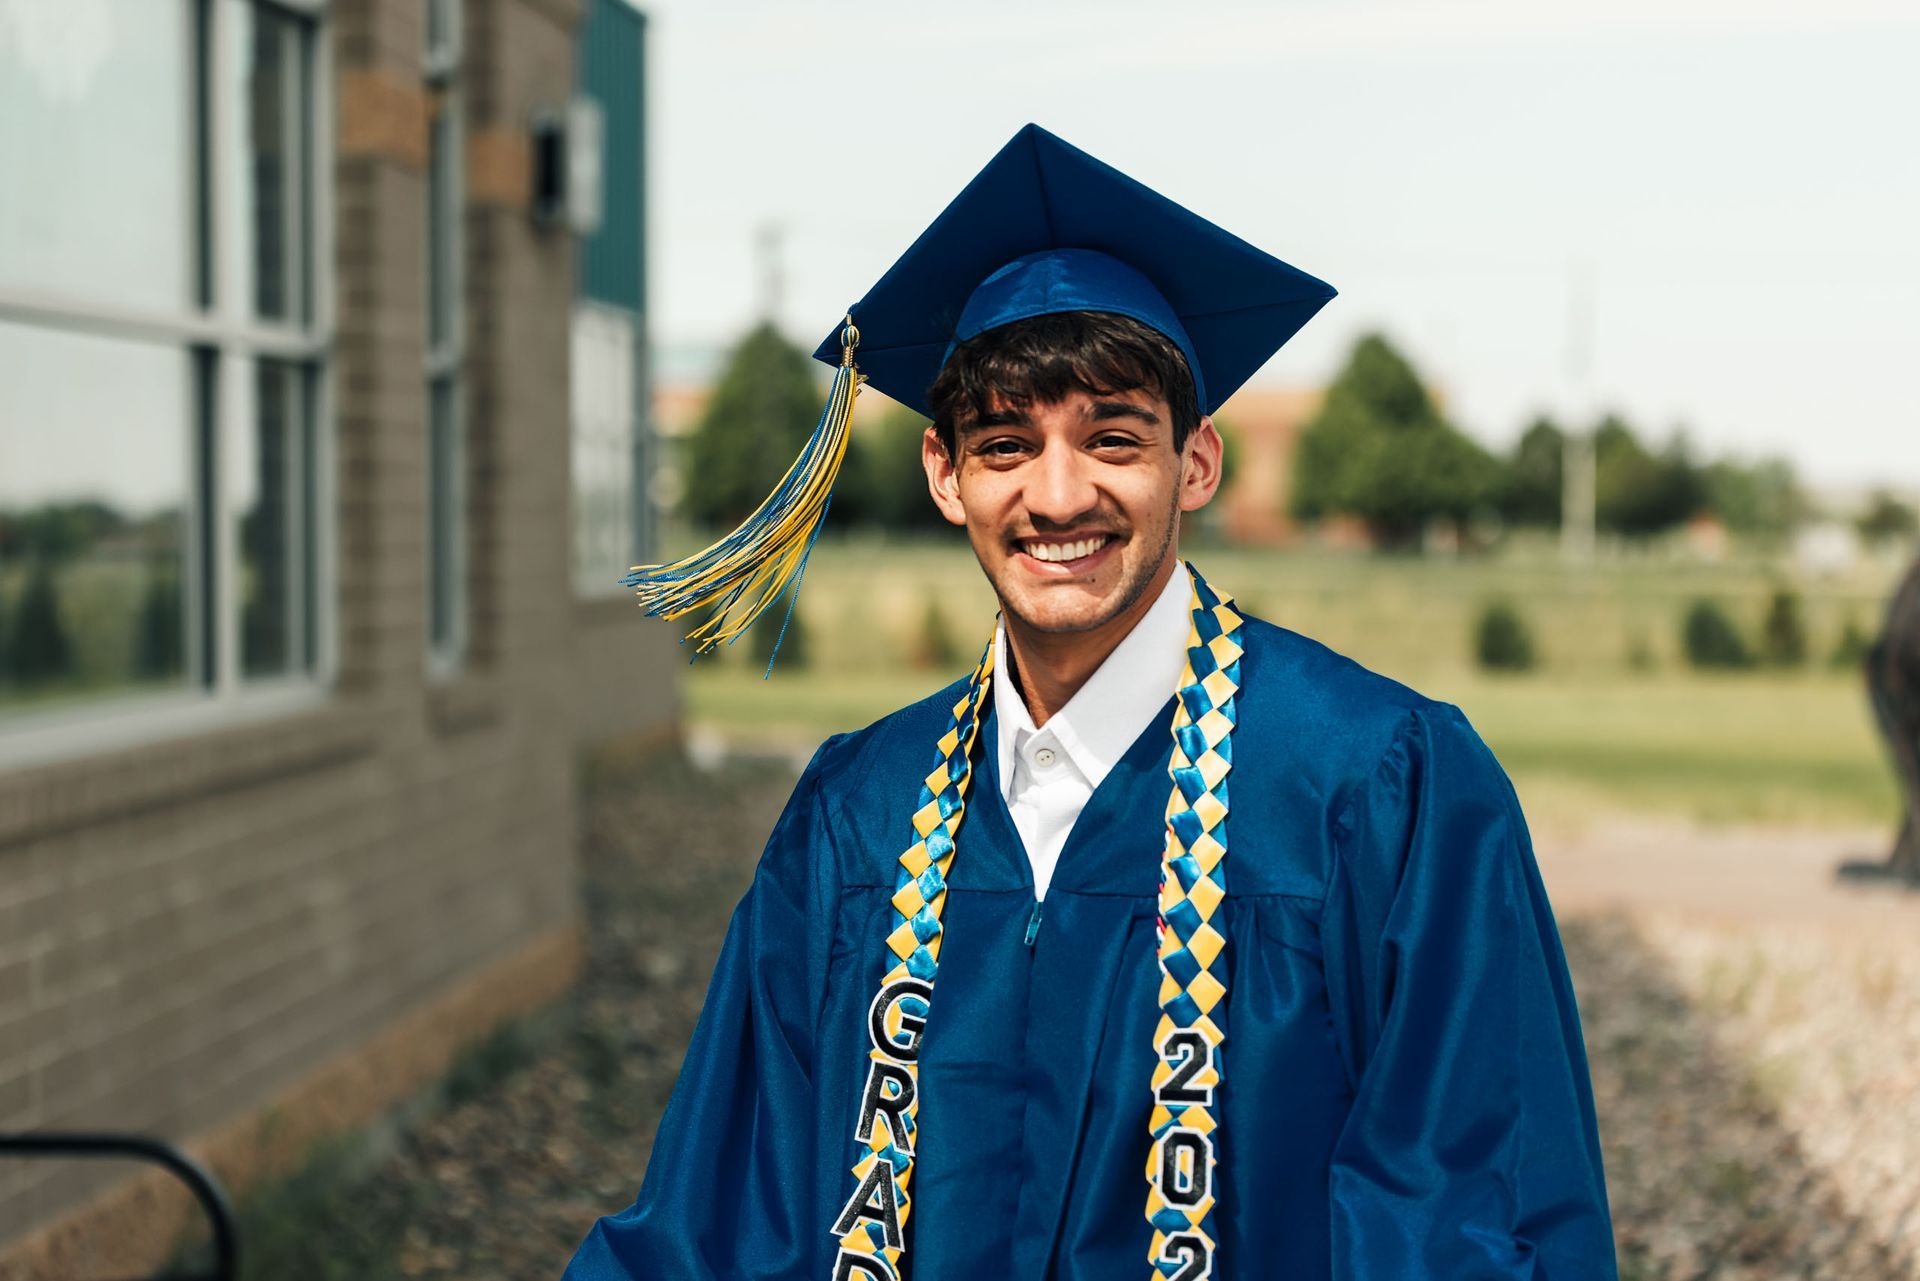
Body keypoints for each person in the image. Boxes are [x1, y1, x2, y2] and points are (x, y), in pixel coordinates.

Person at [564, 124, 1615, 1280]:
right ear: (946, 475)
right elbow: (721, 1214)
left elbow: (1461, 1212)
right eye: (1007, 444)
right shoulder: (858, 813)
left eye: (1114, 439)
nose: (1059, 495)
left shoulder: (1379, 786)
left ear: (1197, 464)